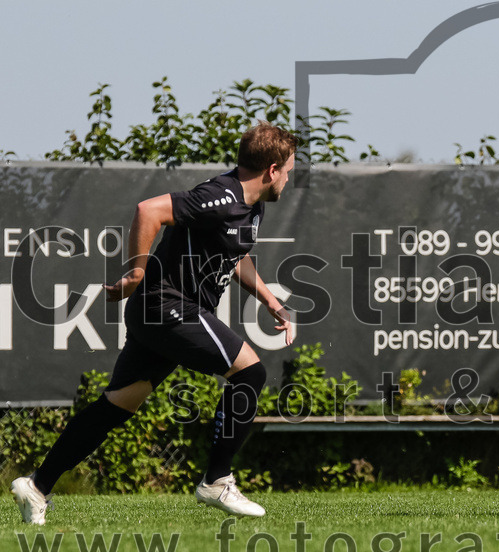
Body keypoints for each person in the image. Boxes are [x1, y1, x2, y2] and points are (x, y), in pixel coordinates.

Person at [10, 122, 297, 524]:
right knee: (250, 373)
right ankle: (217, 480)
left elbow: (236, 252)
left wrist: (269, 299)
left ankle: (37, 486)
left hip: (162, 314)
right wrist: (136, 272)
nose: (289, 178)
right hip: (166, 306)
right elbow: (150, 210)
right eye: (288, 170)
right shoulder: (220, 195)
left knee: (117, 406)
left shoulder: (253, 205)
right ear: (271, 170)